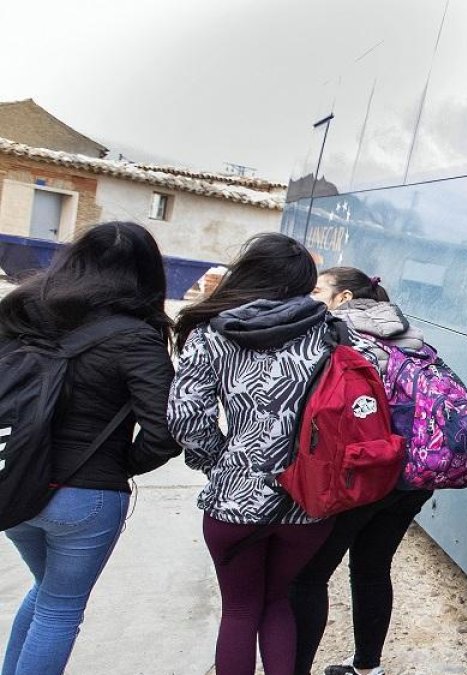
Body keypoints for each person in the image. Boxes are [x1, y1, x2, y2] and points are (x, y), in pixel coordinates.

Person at [168, 234, 376, 675]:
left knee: (239, 610)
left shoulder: (212, 333)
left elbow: (186, 417)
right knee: (277, 600)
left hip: (234, 501)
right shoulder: (336, 332)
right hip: (308, 500)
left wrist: (219, 462)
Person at [1, 221, 181, 675]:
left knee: (47, 594)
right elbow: (164, 431)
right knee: (60, 608)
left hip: (14, 481)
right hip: (85, 494)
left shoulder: (21, 309)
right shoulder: (137, 337)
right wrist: (118, 465)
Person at [291, 267, 432, 675]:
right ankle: (367, 668)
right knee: (372, 567)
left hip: (367, 470)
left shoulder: (335, 334)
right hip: (413, 472)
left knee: (309, 575)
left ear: (344, 297)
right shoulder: (411, 334)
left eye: (319, 289)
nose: (311, 296)